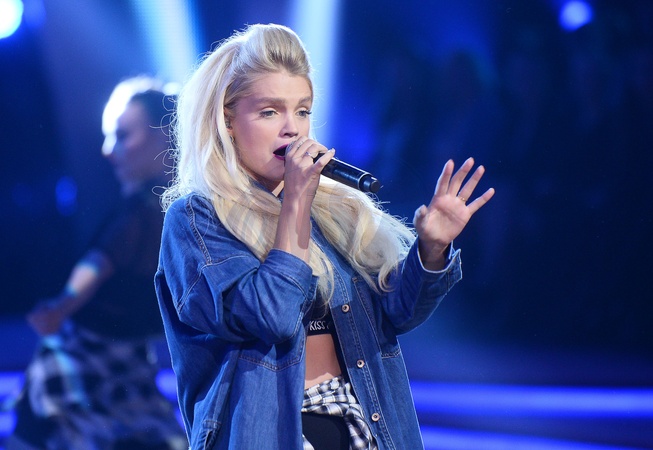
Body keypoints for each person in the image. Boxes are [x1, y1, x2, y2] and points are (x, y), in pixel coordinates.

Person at [155, 23, 494, 450]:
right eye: (270, 112)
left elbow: (398, 313)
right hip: (272, 433)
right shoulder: (197, 219)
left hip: (362, 423)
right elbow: (271, 316)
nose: (292, 129)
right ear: (228, 120)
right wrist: (296, 203)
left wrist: (431, 248)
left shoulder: (335, 209)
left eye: (302, 111)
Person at [7, 77, 188, 450]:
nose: (108, 151)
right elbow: (98, 261)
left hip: (124, 366)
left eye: (122, 136)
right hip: (79, 361)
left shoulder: (166, 212)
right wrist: (63, 304)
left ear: (163, 136)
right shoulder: (139, 213)